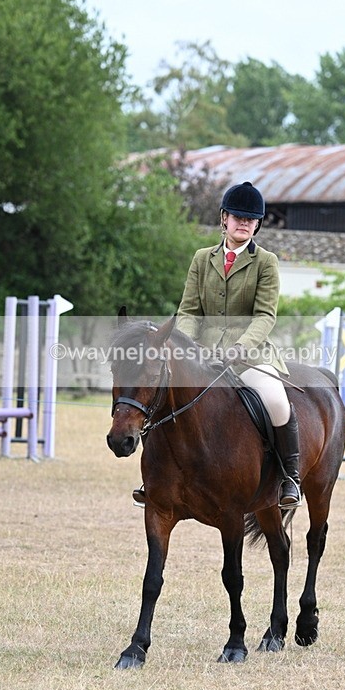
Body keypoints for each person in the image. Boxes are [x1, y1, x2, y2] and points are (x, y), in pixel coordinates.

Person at [132, 181, 301, 510]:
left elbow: (265, 316)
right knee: (163, 395)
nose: (244, 223)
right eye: (238, 217)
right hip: (202, 353)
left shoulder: (266, 262)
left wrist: (240, 347)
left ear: (257, 224)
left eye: (250, 219)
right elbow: (189, 310)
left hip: (250, 356)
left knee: (276, 401)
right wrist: (188, 346)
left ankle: (289, 476)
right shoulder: (202, 258)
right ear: (224, 218)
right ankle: (154, 478)